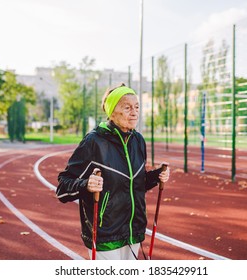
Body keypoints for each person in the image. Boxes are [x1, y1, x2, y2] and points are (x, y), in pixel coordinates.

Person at [56, 83, 170, 260]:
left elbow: (134, 183)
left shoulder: (138, 140)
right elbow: (63, 188)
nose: (134, 112)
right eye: (127, 107)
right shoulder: (94, 142)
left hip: (133, 231)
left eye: (137, 107)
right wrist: (87, 184)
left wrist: (156, 176)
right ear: (112, 112)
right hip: (105, 235)